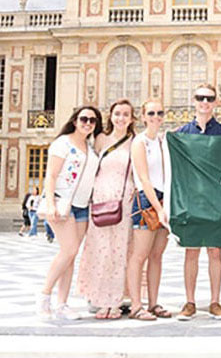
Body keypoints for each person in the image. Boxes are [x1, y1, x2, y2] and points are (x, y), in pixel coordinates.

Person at [36, 106, 102, 320]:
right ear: (75, 120)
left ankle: (62, 304)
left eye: (92, 120)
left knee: (71, 255)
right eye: (84, 119)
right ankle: (44, 295)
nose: (88, 123)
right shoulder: (62, 143)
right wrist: (51, 203)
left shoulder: (90, 148)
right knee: (69, 250)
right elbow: (51, 175)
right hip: (63, 203)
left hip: (83, 206)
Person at [176, 84, 221, 321]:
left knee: (215, 252)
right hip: (191, 200)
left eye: (209, 98)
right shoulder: (181, 133)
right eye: (200, 97)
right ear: (194, 100)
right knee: (191, 253)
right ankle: (189, 302)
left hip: (216, 201)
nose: (205, 102)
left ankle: (215, 302)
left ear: (216, 102)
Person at [77, 99, 136, 320]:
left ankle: (116, 301)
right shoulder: (100, 139)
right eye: (117, 114)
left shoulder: (135, 142)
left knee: (120, 250)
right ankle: (100, 298)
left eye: (126, 114)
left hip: (123, 200)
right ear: (110, 116)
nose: (121, 118)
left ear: (131, 118)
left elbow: (141, 171)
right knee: (100, 249)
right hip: (100, 198)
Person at [127, 98, 170, 321]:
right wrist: (158, 208)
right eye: (151, 113)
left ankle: (153, 303)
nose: (155, 117)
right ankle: (136, 305)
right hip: (146, 200)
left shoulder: (163, 141)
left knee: (156, 255)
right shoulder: (139, 142)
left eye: (159, 113)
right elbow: (144, 178)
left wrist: (167, 205)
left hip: (164, 200)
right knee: (139, 255)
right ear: (143, 117)